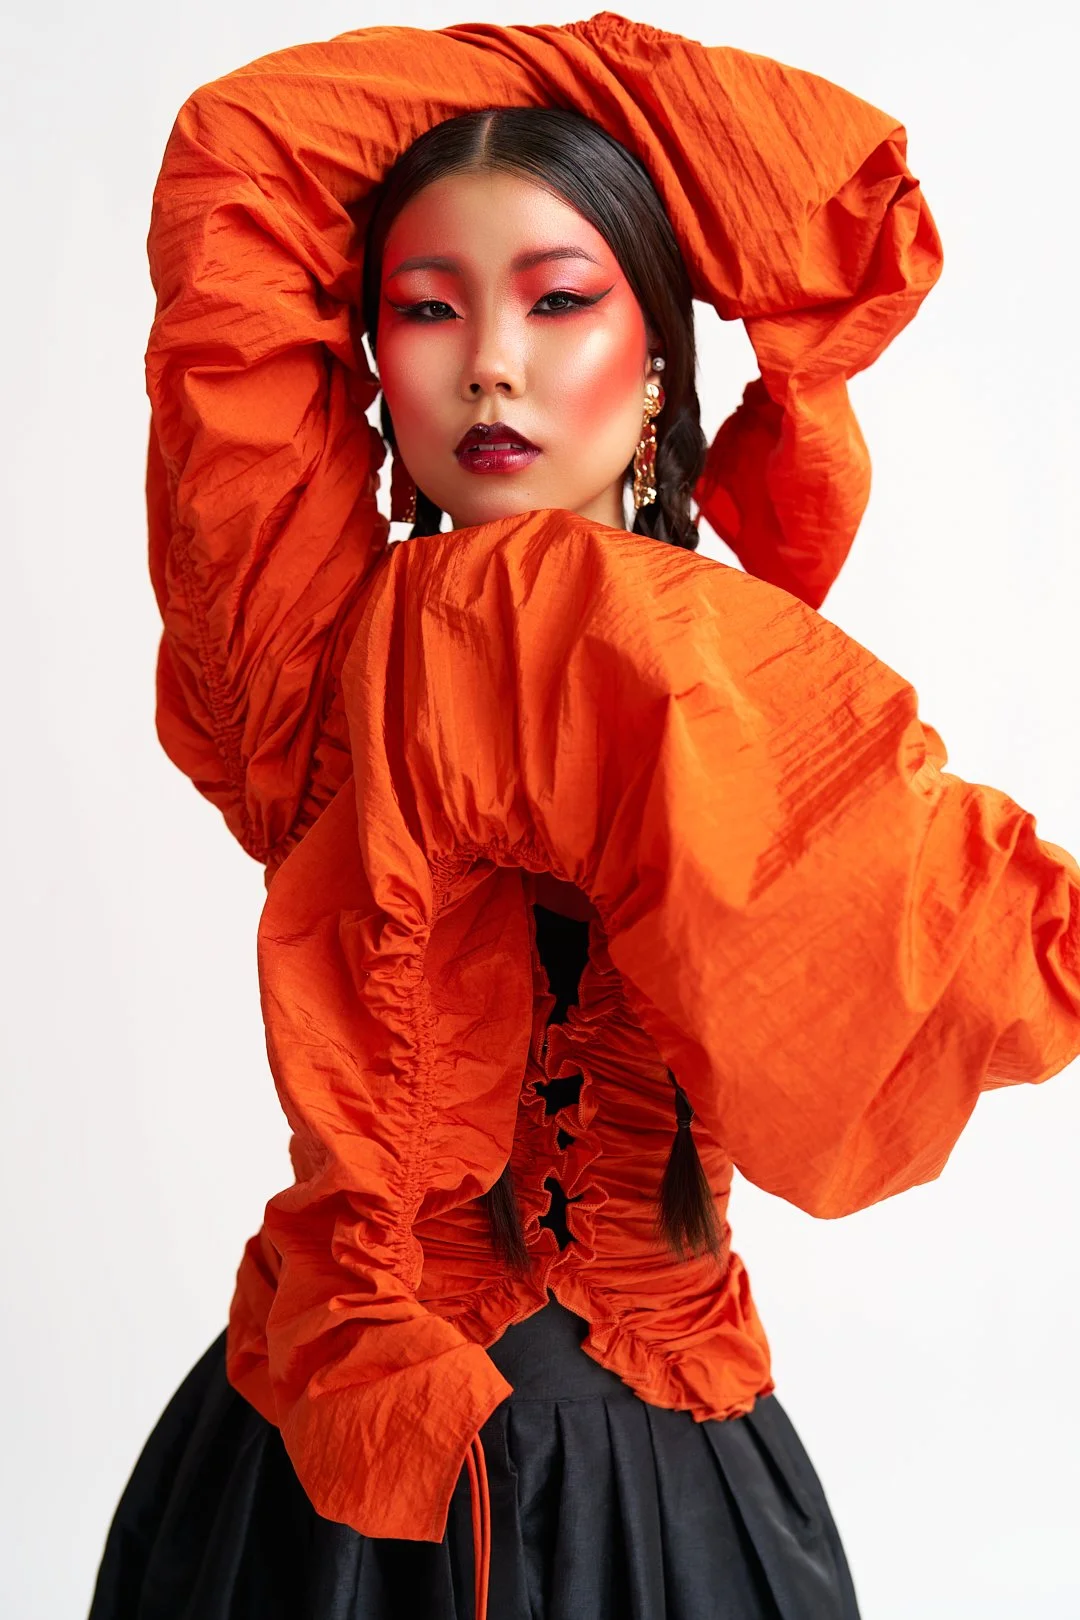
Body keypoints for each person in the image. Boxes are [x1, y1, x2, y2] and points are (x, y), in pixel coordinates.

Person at [88, 13, 1080, 1620]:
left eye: (561, 302)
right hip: (306, 1474)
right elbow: (244, 155)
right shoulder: (307, 660)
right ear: (367, 362)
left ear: (661, 364)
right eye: (427, 309)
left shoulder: (714, 673)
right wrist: (612, 106)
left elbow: (978, 964)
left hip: (640, 1486)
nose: (491, 360)